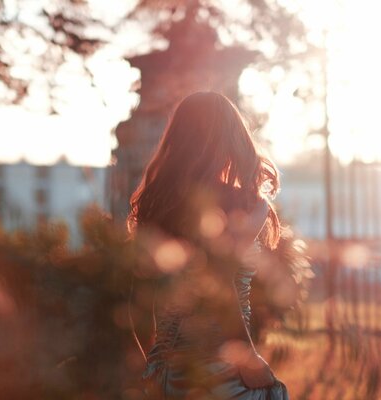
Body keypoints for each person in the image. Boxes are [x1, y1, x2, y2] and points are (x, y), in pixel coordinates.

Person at [127, 91, 289, 399]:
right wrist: (249, 358)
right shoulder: (249, 204)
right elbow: (220, 280)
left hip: (165, 374)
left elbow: (137, 298)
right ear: (232, 138)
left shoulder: (156, 207)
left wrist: (148, 367)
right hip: (221, 370)